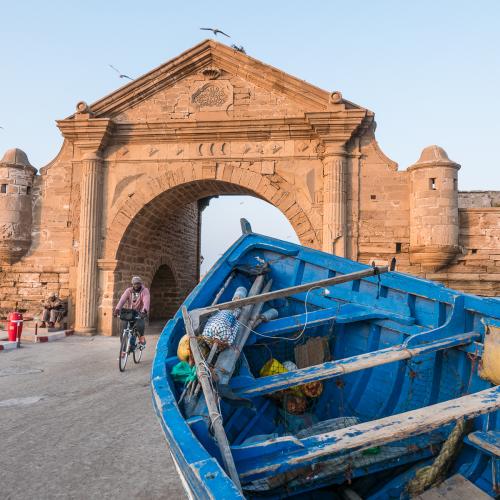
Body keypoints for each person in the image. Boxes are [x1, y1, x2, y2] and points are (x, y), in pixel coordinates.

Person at [113, 276, 150, 347]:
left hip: (140, 312)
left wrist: (144, 311)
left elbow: (146, 301)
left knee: (140, 325)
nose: (136, 285)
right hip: (130, 312)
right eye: (135, 284)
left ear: (140, 284)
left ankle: (141, 337)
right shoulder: (129, 291)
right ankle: (123, 350)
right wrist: (117, 310)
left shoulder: (144, 290)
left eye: (138, 283)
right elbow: (122, 300)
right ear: (132, 284)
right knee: (123, 329)